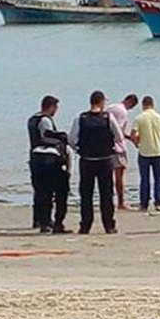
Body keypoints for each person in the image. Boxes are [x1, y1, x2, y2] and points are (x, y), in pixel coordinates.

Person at [70, 90, 123, 234]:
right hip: (105, 160)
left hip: (87, 160)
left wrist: (79, 149)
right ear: (101, 102)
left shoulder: (80, 118)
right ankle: (109, 225)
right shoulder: (108, 118)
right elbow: (118, 136)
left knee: (86, 194)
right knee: (106, 194)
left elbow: (72, 139)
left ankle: (85, 225)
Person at [27, 95, 71, 233]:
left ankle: (40, 220)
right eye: (56, 107)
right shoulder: (45, 120)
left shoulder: (32, 119)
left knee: (40, 191)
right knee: (55, 192)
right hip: (49, 159)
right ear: (51, 107)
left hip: (35, 157)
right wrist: (62, 139)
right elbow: (46, 135)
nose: (56, 111)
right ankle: (52, 222)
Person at [131, 96, 160, 212]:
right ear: (153, 104)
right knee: (158, 178)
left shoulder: (139, 118)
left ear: (143, 105)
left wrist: (137, 143)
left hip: (144, 152)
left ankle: (144, 204)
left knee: (144, 179)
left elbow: (133, 134)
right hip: (158, 151)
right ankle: (158, 202)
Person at [106, 93, 138, 211]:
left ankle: (109, 200)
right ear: (130, 102)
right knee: (119, 174)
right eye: (132, 107)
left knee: (107, 175)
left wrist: (129, 138)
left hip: (106, 147)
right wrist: (131, 139)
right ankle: (120, 202)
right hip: (117, 147)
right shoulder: (122, 111)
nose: (131, 109)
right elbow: (118, 131)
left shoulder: (110, 108)